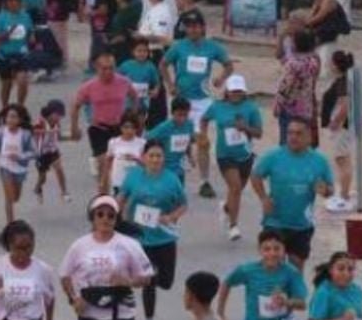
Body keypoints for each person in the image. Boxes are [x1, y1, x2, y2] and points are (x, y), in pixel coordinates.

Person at [118, 139, 187, 320]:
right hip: (141, 237)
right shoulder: (133, 176)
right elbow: (121, 197)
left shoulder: (172, 179)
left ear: (163, 159)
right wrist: (117, 215)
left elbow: (183, 205)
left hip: (164, 236)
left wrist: (171, 216)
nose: (155, 159)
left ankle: (147, 277)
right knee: (149, 281)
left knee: (165, 281)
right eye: (152, 155)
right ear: (145, 157)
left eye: (159, 156)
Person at [161, 14, 233, 198]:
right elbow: (163, 64)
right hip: (183, 101)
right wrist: (169, 84)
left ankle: (204, 181)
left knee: (203, 141)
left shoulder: (212, 47)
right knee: (181, 139)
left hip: (203, 101)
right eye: (189, 26)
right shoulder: (179, 46)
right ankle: (175, 178)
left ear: (202, 27)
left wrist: (220, 78)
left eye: (196, 26)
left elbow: (228, 65)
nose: (192, 30)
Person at [251, 116, 335, 269]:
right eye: (290, 133)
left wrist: (325, 190)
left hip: (302, 224)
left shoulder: (319, 161)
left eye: (298, 133)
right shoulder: (274, 156)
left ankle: (293, 293)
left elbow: (330, 189)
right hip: (274, 222)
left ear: (309, 136)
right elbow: (256, 175)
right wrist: (263, 198)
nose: (293, 137)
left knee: (296, 268)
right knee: (275, 266)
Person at [199, 74, 263, 241]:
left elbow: (259, 133)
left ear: (244, 92)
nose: (236, 94)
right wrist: (203, 135)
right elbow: (204, 119)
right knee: (234, 188)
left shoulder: (251, 108)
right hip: (225, 155)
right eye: (233, 91)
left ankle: (227, 207)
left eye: (239, 91)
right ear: (226, 91)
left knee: (237, 191)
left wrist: (246, 128)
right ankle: (233, 225)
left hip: (245, 155)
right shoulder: (217, 106)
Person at [71, 52, 139, 193]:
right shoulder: (89, 86)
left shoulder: (124, 82)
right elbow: (76, 106)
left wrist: (133, 117)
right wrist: (74, 128)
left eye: (111, 68)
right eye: (104, 68)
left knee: (120, 165)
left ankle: (120, 196)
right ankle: (103, 198)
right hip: (99, 129)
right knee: (104, 166)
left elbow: (134, 97)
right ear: (97, 68)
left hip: (119, 128)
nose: (108, 72)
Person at [320, 51, 358, 212]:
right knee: (344, 158)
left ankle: (344, 196)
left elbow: (345, 104)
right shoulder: (345, 80)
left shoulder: (343, 83)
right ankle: (344, 192)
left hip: (342, 127)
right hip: (344, 126)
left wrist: (336, 122)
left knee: (342, 160)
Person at [0, 104, 37, 224]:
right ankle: (10, 224)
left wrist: (20, 156)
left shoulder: (25, 134)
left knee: (16, 197)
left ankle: (12, 209)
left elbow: (34, 152)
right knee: (9, 197)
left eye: (14, 117)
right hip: (5, 166)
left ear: (20, 120)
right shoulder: (0, 132)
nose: (11, 120)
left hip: (20, 168)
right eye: (9, 117)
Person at [274, 29, 320, 145]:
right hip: (306, 106)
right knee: (302, 139)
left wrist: (278, 104)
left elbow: (285, 87)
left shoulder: (293, 64)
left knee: (286, 139)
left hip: (290, 107)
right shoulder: (313, 62)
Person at [0, 0, 34, 112]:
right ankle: (5, 108)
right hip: (4, 55)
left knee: (22, 80)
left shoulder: (25, 16)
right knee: (7, 84)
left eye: (16, 0)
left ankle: (20, 107)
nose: (14, 3)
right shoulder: (1, 17)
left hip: (21, 54)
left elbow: (30, 31)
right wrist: (6, 34)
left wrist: (32, 38)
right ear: (6, 3)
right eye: (11, 0)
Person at [32, 100, 70, 203]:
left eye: (60, 115)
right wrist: (47, 131)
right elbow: (33, 131)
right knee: (43, 178)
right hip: (42, 153)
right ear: (50, 112)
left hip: (53, 151)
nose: (58, 118)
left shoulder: (57, 124)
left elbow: (59, 137)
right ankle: (38, 188)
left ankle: (64, 192)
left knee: (59, 169)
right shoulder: (41, 121)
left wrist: (72, 137)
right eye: (57, 115)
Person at [305, 0, 349, 66]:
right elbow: (311, 14)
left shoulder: (329, 0)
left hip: (327, 29)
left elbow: (320, 16)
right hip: (319, 28)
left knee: (311, 43)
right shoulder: (319, 0)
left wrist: (307, 23)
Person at [105, 111, 145, 196]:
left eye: (132, 128)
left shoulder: (142, 143)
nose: (129, 131)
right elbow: (108, 161)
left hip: (135, 182)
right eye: (126, 127)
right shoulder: (113, 142)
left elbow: (146, 164)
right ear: (121, 127)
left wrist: (136, 159)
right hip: (118, 181)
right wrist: (104, 180)